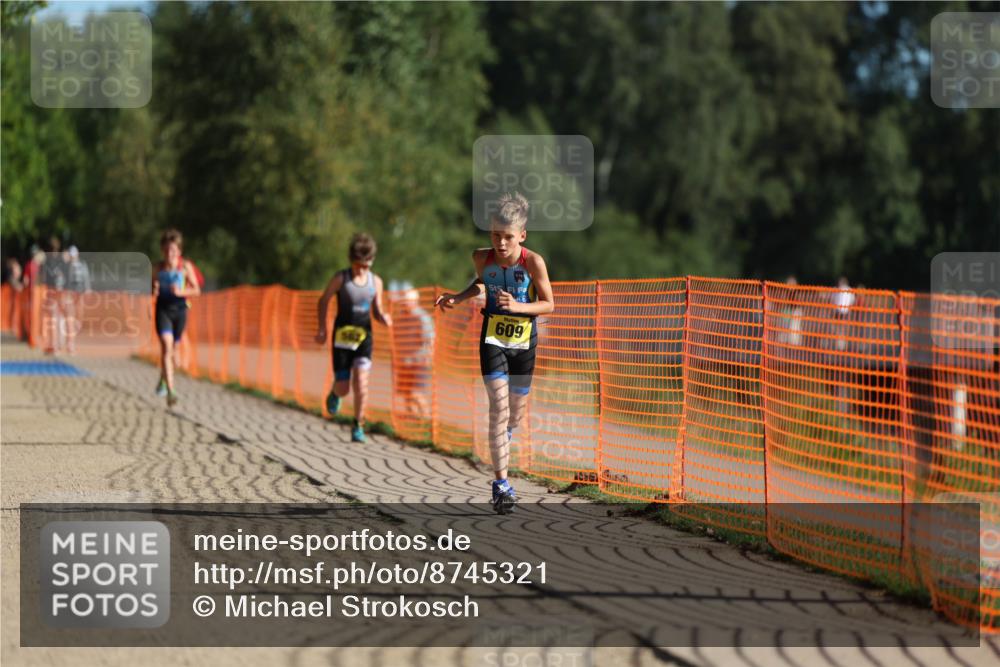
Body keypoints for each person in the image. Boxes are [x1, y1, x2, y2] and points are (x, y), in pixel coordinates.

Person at [435, 192, 555, 514]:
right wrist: (459, 298)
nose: (501, 243)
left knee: (515, 413)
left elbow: (549, 304)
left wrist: (518, 306)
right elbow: (482, 282)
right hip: (493, 339)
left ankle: (507, 435)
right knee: (498, 409)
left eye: (508, 237)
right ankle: (502, 485)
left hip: (524, 343)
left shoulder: (533, 262)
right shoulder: (481, 257)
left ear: (522, 236)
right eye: (495, 236)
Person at [316, 233, 392, 443]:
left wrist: (383, 317)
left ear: (372, 261)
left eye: (366, 266)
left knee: (361, 382)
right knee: (344, 387)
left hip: (363, 338)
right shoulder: (341, 278)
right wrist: (322, 328)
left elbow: (376, 310)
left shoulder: (375, 282)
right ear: (351, 261)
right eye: (358, 265)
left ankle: (358, 425)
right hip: (342, 337)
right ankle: (334, 392)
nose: (362, 270)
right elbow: (323, 301)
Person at [153, 229, 201, 407]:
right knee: (166, 346)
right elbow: (152, 288)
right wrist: (154, 289)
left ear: (179, 251)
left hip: (180, 311)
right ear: (162, 251)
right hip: (163, 310)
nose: (169, 254)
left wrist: (181, 291)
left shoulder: (185, 267)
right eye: (166, 250)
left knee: (173, 352)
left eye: (173, 250)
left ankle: (163, 379)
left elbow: (196, 290)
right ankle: (171, 392)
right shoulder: (157, 268)